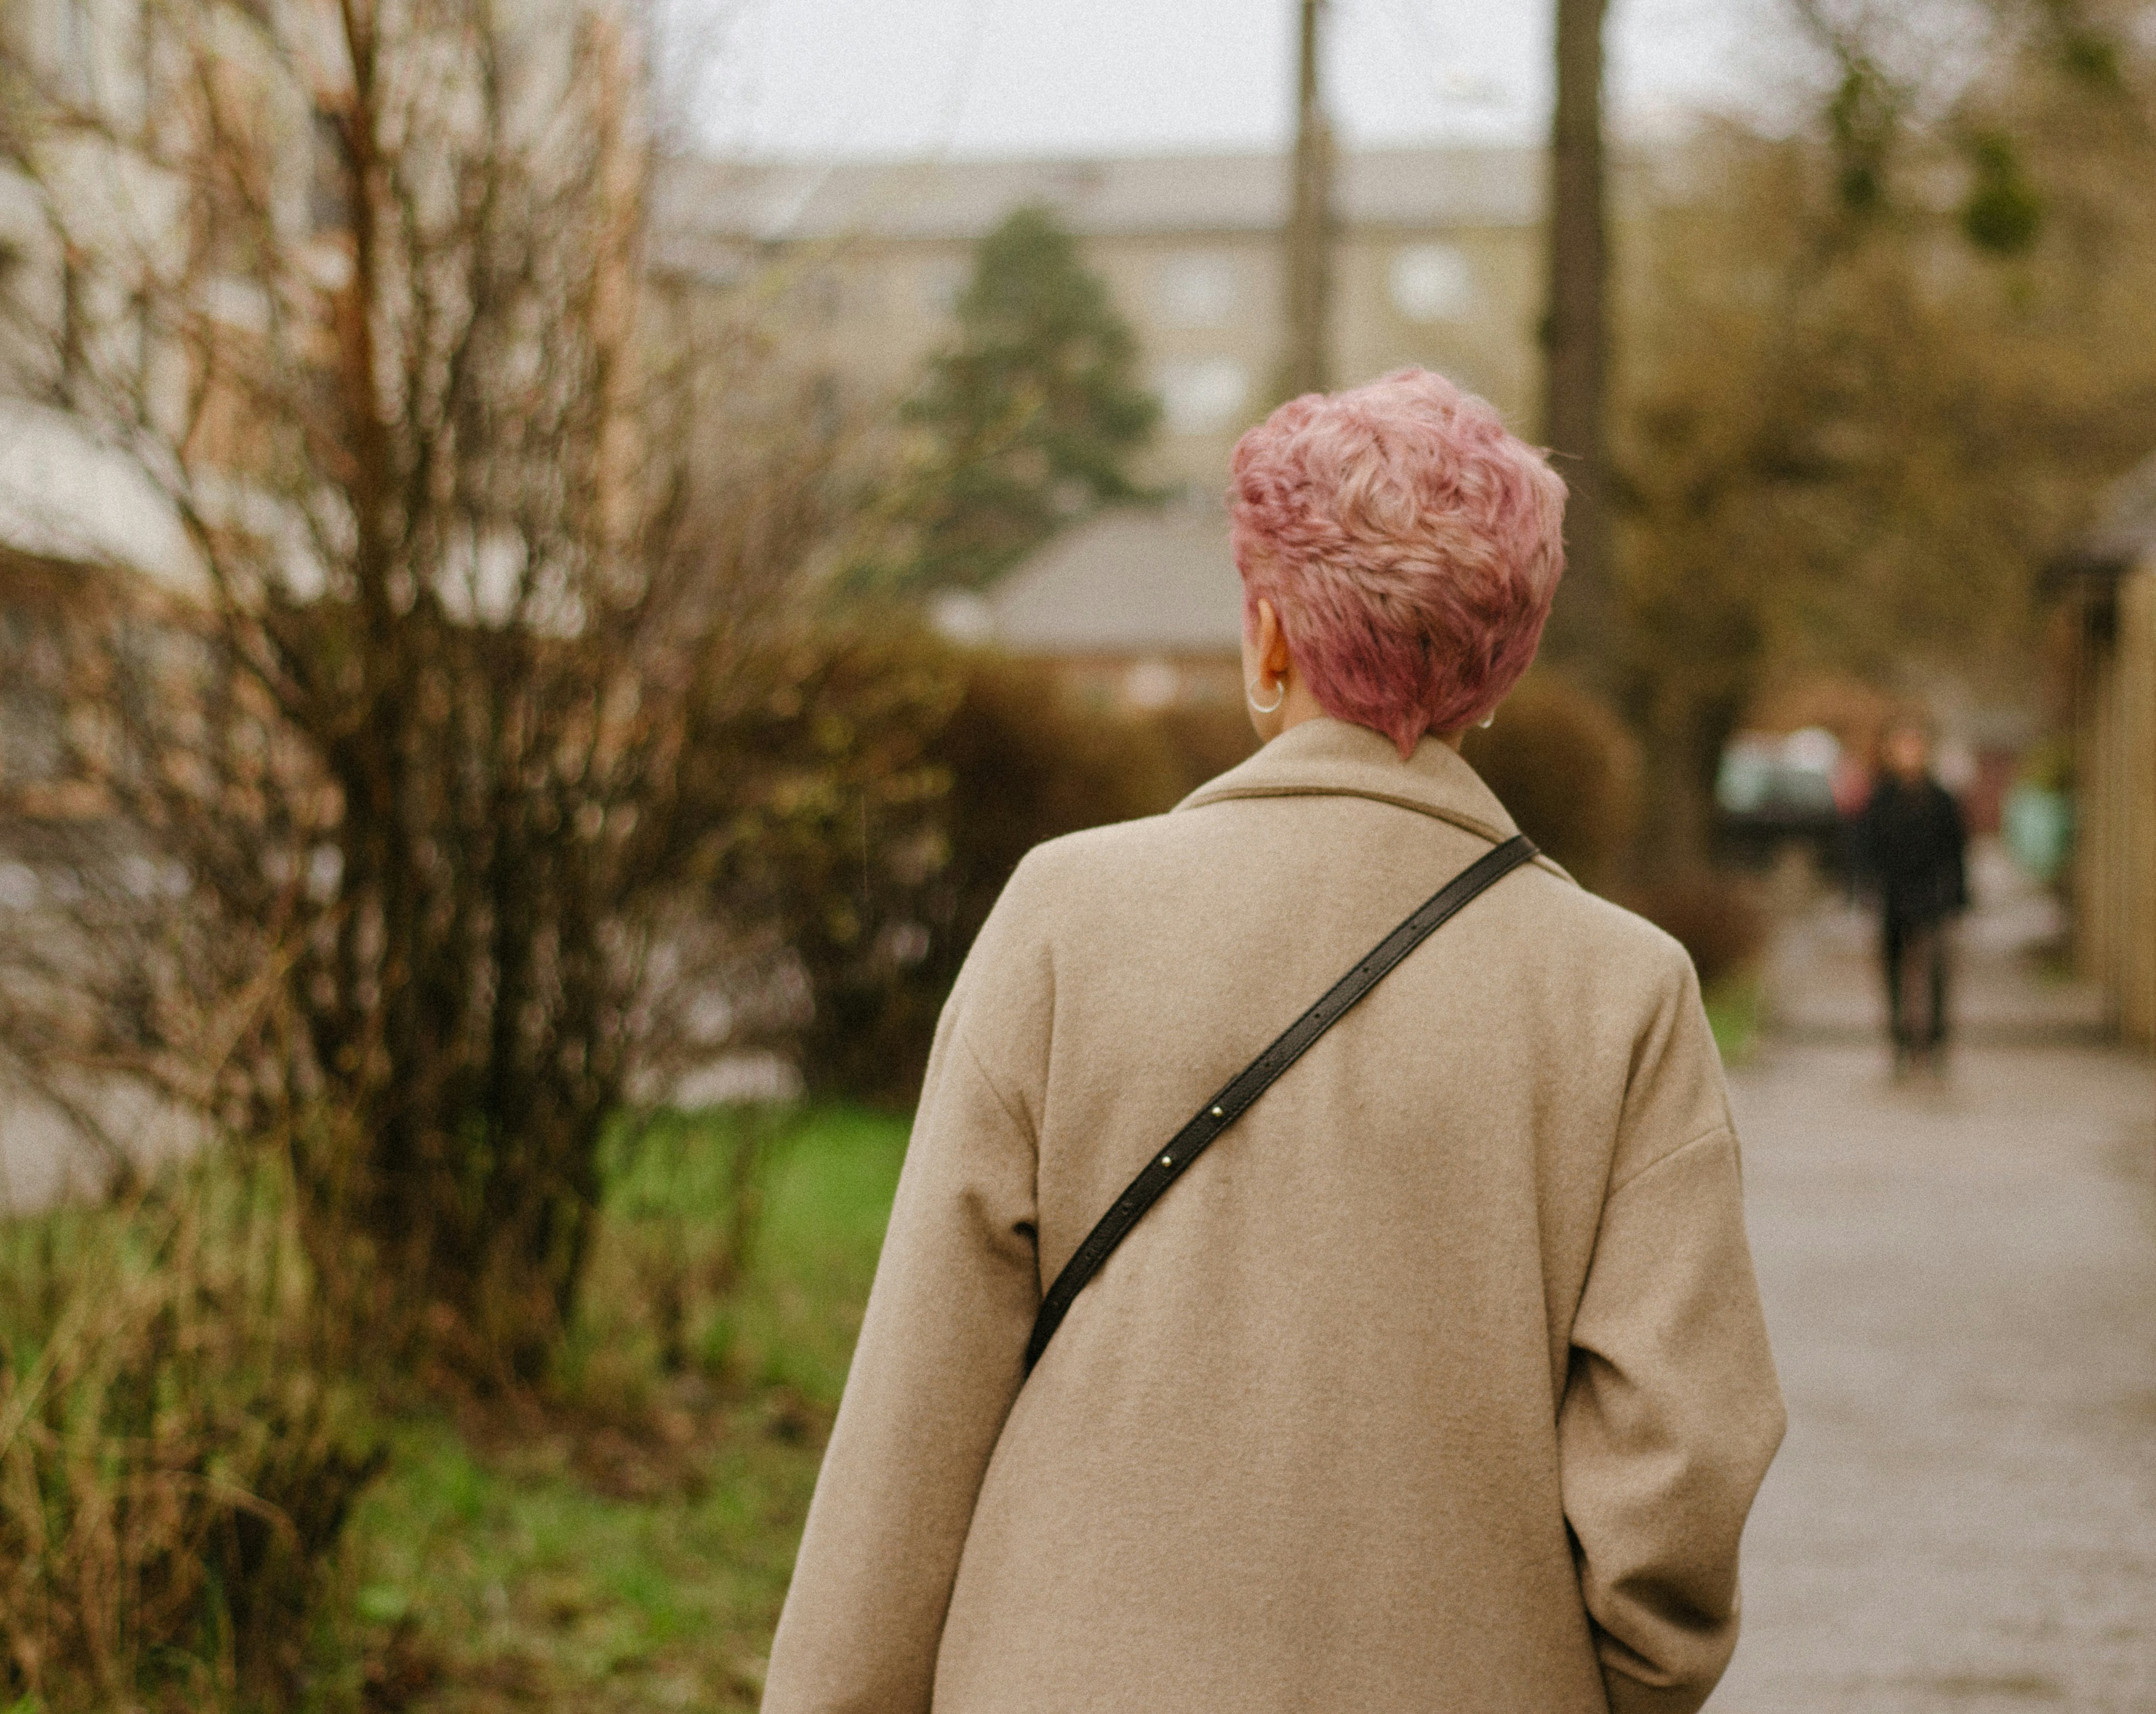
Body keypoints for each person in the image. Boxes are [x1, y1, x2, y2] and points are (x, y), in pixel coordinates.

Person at [763, 370, 1783, 1714]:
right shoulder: (1621, 991)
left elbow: (919, 1401)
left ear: (1265, 641)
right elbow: (1677, 1462)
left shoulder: (1066, 920)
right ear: (1497, 673)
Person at [1853, 718, 1969, 1077]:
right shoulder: (1881, 799)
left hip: (1930, 895)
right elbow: (1865, 848)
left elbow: (1955, 850)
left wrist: (1958, 896)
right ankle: (1899, 1042)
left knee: (1935, 970)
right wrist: (1864, 889)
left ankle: (1934, 1042)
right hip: (1893, 897)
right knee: (1893, 971)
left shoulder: (1940, 799)